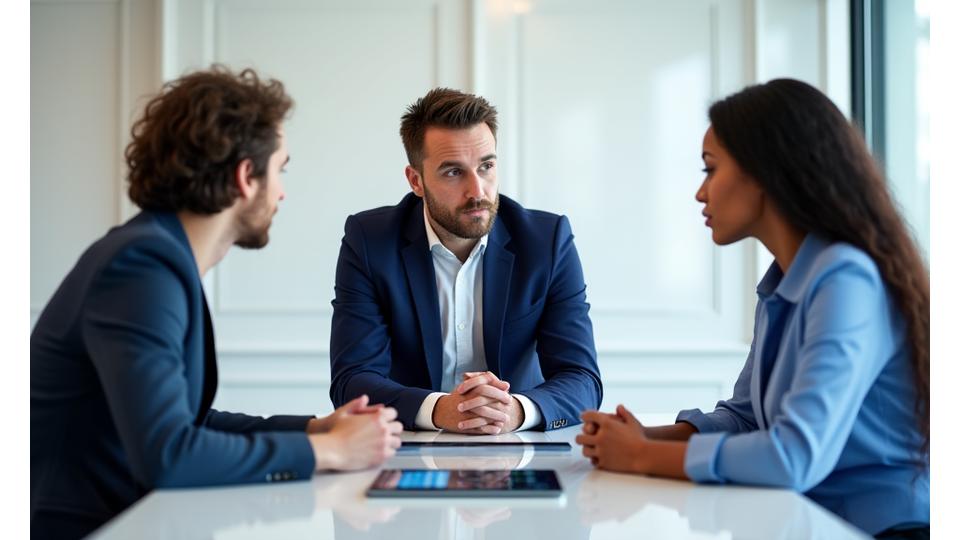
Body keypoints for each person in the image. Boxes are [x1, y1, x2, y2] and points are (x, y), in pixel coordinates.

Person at [30, 67, 403, 539]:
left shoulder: (154, 254)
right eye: (281, 169)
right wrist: (330, 452)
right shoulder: (143, 266)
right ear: (246, 176)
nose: (283, 191)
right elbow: (170, 455)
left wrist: (315, 429)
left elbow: (189, 423)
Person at [575, 79, 929, 538]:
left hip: (878, 528)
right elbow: (746, 419)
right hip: (808, 520)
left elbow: (792, 456)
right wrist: (640, 435)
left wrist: (641, 455)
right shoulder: (786, 280)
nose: (700, 193)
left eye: (710, 169)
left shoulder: (846, 279)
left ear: (765, 171)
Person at [329, 88, 603, 434]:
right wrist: (438, 409)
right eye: (453, 172)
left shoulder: (547, 241)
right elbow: (352, 380)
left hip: (518, 443)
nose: (478, 191)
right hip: (409, 444)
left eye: (486, 166)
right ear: (416, 180)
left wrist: (516, 411)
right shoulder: (370, 241)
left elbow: (582, 379)